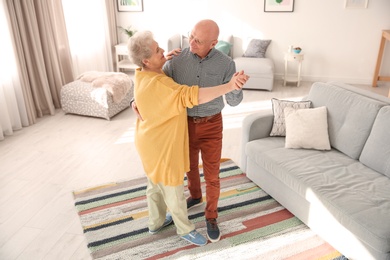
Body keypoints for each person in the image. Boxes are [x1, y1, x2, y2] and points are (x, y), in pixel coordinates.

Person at [127, 30, 248, 247]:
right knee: (173, 189)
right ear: (146, 60)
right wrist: (229, 86)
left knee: (154, 184)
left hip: (147, 140)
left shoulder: (142, 72)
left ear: (213, 42)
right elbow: (193, 95)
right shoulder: (164, 80)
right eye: (157, 50)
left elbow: (148, 84)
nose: (163, 50)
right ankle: (184, 228)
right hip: (162, 145)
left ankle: (155, 222)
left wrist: (161, 62)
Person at [163, 19, 244, 243]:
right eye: (191, 36)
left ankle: (211, 215)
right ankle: (195, 196)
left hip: (212, 124)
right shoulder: (176, 60)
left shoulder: (226, 64)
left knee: (212, 174)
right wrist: (135, 101)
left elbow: (234, 101)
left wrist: (236, 87)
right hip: (184, 124)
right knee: (188, 167)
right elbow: (154, 84)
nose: (191, 42)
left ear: (214, 43)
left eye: (198, 40)